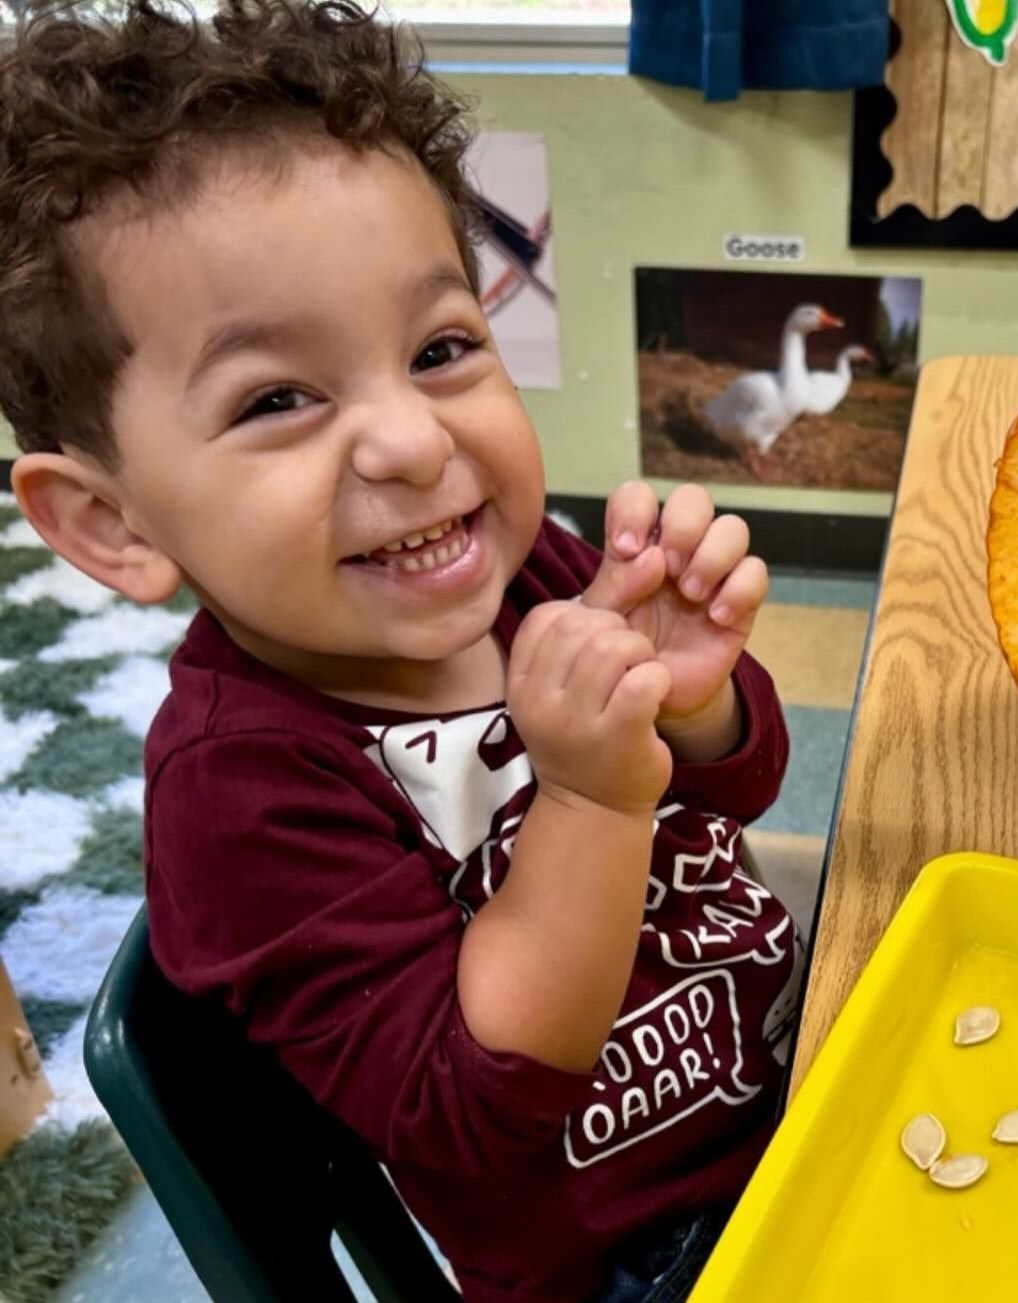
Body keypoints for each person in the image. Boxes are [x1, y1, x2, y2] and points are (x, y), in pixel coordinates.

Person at [0, 3, 799, 1298]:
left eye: (438, 350)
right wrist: (594, 793)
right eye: (276, 399)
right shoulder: (238, 797)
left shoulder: (515, 570)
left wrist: (697, 709)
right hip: (639, 1253)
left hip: (789, 1063)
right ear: (112, 522)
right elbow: (471, 1113)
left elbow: (736, 788)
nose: (414, 445)